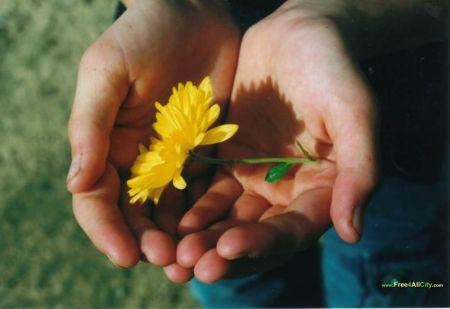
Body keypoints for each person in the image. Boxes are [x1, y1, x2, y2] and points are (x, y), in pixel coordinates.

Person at [66, 0, 448, 307]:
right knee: (228, 270)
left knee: (386, 278)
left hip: (401, 116)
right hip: (212, 83)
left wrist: (333, 12)